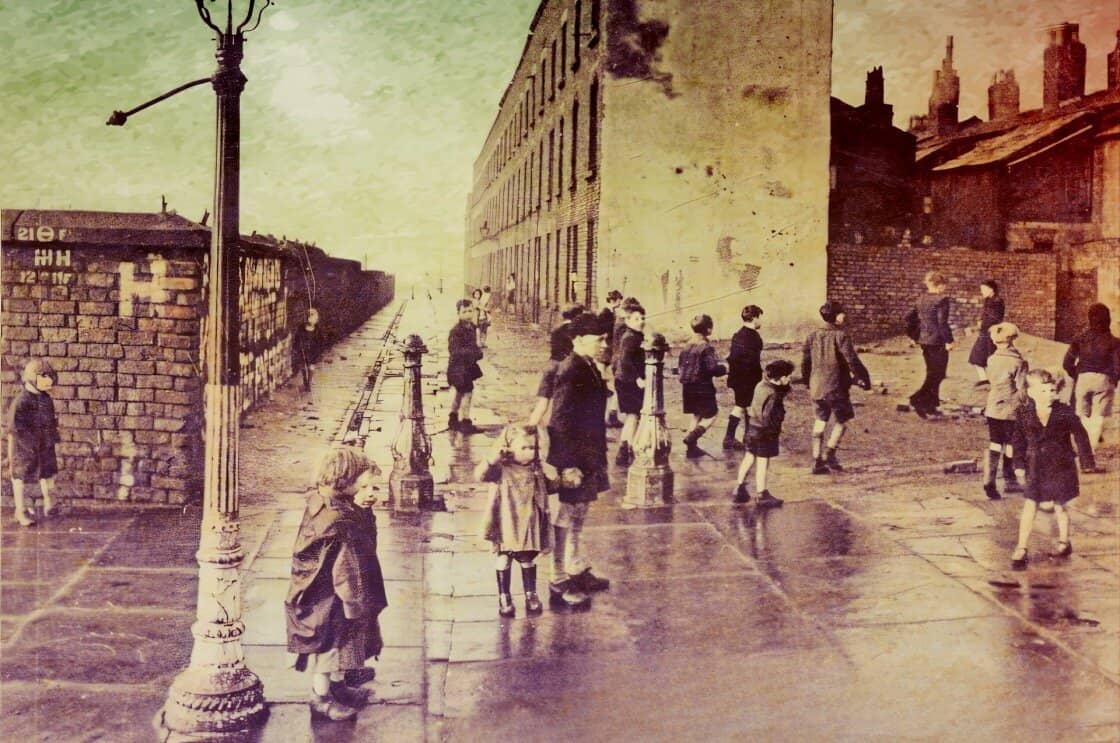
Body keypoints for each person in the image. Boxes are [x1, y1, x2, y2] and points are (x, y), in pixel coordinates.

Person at [285, 447, 388, 721]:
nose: (370, 492)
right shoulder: (340, 521)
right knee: (329, 651)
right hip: (332, 598)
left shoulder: (327, 504)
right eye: (363, 485)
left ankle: (339, 687)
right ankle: (320, 699)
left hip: (324, 592)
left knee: (342, 646)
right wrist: (355, 605)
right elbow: (346, 570)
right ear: (344, 482)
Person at [547, 312, 612, 609]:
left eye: (605, 338)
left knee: (579, 516)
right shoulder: (571, 369)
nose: (605, 343)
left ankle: (576, 566)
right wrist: (566, 465)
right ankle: (558, 578)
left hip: (588, 456)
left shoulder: (588, 366)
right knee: (564, 518)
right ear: (579, 340)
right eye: (599, 339)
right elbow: (559, 421)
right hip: (573, 459)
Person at [1009, 369, 1096, 570]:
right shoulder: (1023, 413)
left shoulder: (1064, 411)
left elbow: (1081, 435)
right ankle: (1021, 547)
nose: (1049, 394)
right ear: (1031, 392)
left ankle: (1064, 542)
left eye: (1051, 390)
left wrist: (1086, 461)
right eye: (1043, 390)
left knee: (1059, 506)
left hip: (1060, 465)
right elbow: (1018, 440)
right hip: (1035, 465)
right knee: (1030, 504)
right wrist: (1018, 464)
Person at [478, 424, 555, 617]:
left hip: (529, 522)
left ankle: (531, 593)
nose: (530, 453)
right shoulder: (501, 468)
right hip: (506, 522)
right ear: (510, 447)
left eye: (533, 448)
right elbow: (480, 474)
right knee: (504, 557)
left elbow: (551, 487)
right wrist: (491, 459)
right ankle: (504, 595)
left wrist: (554, 475)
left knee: (527, 558)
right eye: (524, 448)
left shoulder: (536, 468)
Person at [801, 302, 871, 474]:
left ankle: (816, 460)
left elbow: (805, 363)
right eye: (841, 313)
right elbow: (852, 360)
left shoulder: (812, 336)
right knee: (842, 421)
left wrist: (807, 382)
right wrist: (863, 378)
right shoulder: (841, 336)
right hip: (836, 388)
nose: (843, 316)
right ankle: (830, 454)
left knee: (820, 420)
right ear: (834, 316)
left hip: (816, 387)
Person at [733, 359, 795, 508]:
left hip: (752, 428)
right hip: (764, 431)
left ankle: (739, 488)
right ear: (779, 378)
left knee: (749, 457)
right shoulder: (774, 394)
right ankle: (762, 494)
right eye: (787, 376)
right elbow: (768, 415)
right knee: (763, 461)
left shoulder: (761, 384)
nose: (790, 378)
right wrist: (774, 430)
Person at [6, 359, 60, 526]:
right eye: (43, 376)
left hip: (44, 445)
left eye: (49, 376)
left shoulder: (46, 399)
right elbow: (13, 431)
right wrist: (11, 456)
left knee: (48, 474)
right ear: (32, 378)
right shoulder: (21, 401)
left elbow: (51, 423)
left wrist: (53, 441)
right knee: (20, 478)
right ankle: (20, 511)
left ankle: (50, 504)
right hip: (24, 447)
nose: (48, 380)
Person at [1063, 303, 1120, 457]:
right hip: (1104, 380)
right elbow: (1117, 366)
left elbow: (1067, 363)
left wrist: (1077, 374)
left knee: (1082, 415)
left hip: (1083, 379)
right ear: (1108, 319)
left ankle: (1083, 450)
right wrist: (1113, 380)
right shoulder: (1114, 342)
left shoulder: (1080, 339)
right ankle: (1091, 451)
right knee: (1098, 417)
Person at [981, 322, 1028, 500]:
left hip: (993, 407)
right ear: (1012, 340)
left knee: (995, 442)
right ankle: (1010, 479)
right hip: (1011, 408)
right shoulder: (1018, 362)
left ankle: (989, 480)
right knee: (1010, 443)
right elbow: (1021, 389)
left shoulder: (991, 360)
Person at [528, 303, 585, 428]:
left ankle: (529, 427)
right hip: (563, 367)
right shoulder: (574, 330)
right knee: (563, 402)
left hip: (551, 365)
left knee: (543, 401)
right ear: (577, 315)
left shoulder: (556, 328)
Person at [679, 314, 728, 458]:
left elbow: (680, 366)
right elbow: (712, 369)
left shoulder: (686, 346)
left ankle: (691, 450)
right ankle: (692, 437)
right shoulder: (706, 347)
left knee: (697, 415)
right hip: (703, 387)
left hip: (687, 387)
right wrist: (725, 369)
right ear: (708, 329)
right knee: (711, 415)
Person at [908, 270, 954, 418]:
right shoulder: (942, 299)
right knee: (938, 374)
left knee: (932, 372)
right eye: (944, 285)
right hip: (938, 341)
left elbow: (909, 318)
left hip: (925, 341)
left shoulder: (921, 299)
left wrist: (914, 336)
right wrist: (949, 341)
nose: (945, 288)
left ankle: (931, 406)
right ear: (939, 285)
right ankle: (917, 399)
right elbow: (942, 323)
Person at [724, 305, 765, 451]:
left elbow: (732, 358)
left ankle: (743, 437)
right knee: (743, 407)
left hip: (737, 378)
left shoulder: (738, 334)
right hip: (748, 379)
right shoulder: (754, 337)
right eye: (760, 317)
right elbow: (752, 362)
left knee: (743, 406)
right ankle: (734, 438)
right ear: (754, 318)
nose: (761, 321)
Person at [612, 302, 646, 466]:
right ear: (628, 320)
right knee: (633, 416)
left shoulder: (632, 334)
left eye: (642, 318)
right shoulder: (631, 337)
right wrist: (637, 378)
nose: (641, 321)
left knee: (632, 417)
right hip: (628, 382)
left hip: (623, 380)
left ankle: (623, 451)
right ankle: (629, 450)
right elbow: (624, 360)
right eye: (637, 318)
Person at [447, 299, 484, 434]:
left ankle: (453, 419)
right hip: (458, 368)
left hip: (466, 368)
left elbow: (474, 345)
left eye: (470, 311)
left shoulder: (473, 328)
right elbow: (454, 351)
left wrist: (478, 351)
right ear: (458, 313)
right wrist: (473, 353)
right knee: (467, 393)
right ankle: (466, 423)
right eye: (464, 311)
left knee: (459, 393)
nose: (468, 314)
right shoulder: (456, 331)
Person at [968, 280, 1004, 386]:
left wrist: (979, 326)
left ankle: (993, 380)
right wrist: (980, 321)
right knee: (977, 356)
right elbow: (985, 315)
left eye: (983, 289)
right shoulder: (988, 300)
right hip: (985, 332)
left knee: (990, 357)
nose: (981, 291)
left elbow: (994, 318)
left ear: (991, 289)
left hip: (991, 333)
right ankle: (985, 379)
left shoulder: (997, 301)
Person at [598, 290, 624, 428]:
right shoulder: (605, 313)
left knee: (608, 383)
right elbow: (602, 331)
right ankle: (606, 417)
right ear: (613, 300)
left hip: (608, 350)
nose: (619, 303)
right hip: (605, 350)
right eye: (618, 300)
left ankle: (610, 415)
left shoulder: (612, 313)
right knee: (602, 381)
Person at [294, 307, 321, 393]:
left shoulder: (317, 329)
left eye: (315, 319)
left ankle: (309, 382)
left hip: (313, 351)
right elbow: (297, 338)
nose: (313, 320)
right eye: (310, 318)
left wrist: (318, 350)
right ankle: (305, 379)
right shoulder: (301, 328)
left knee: (311, 367)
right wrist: (297, 347)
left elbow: (320, 340)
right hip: (303, 350)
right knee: (303, 366)